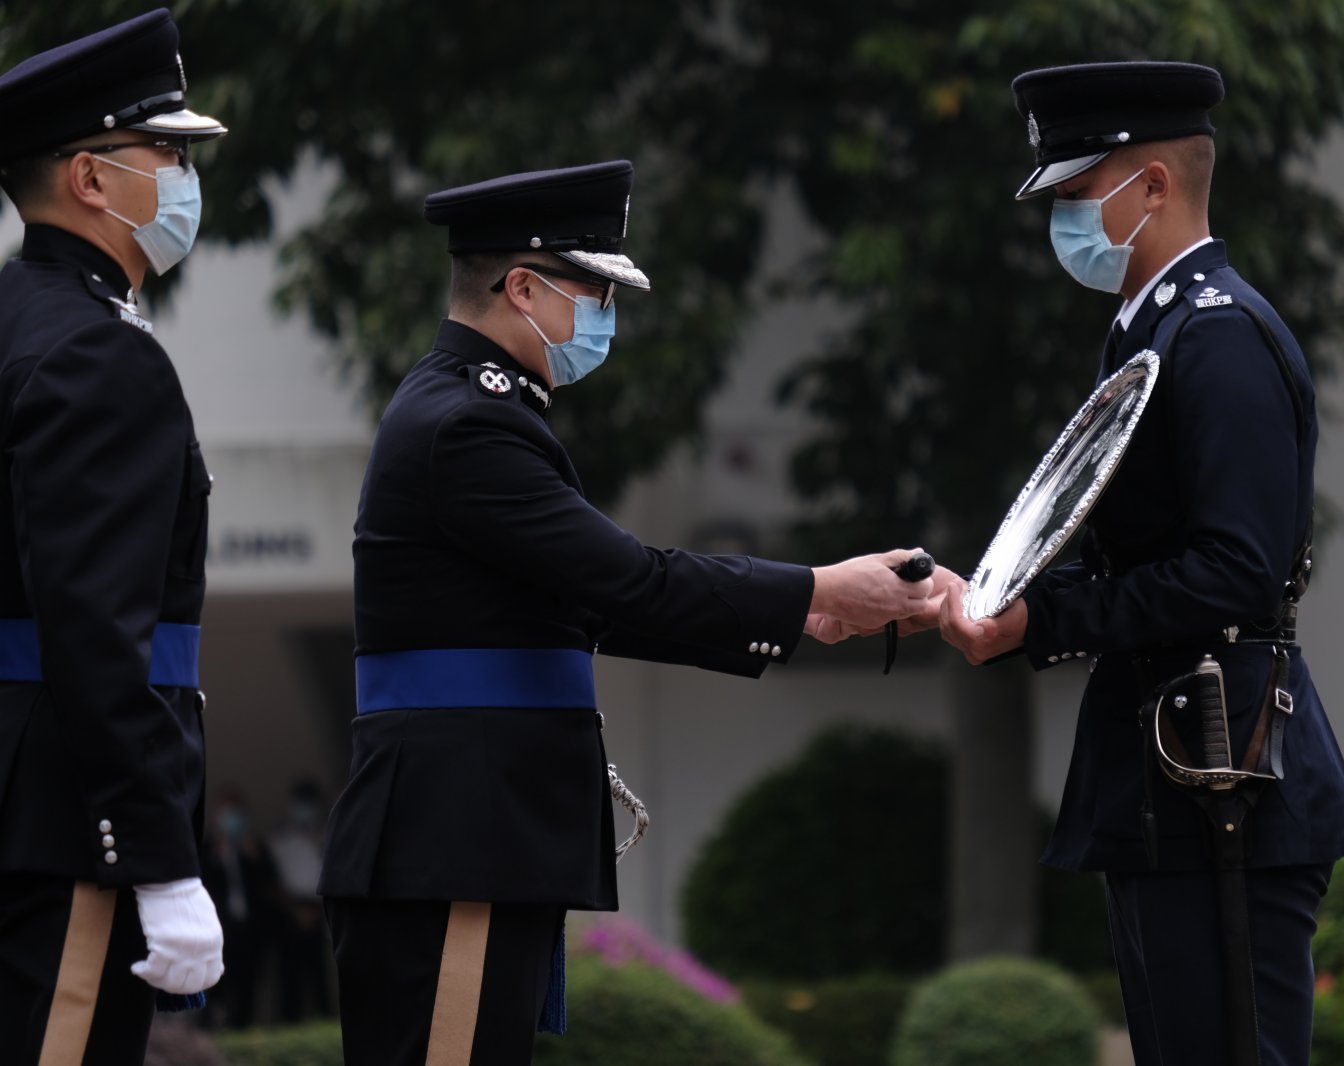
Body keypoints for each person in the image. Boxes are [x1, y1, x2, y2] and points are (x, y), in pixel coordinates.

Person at [318, 160, 940, 1066]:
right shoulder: (469, 424)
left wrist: (806, 613)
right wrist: (816, 589)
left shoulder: (480, 411)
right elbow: (627, 578)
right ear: (523, 287)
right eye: (593, 290)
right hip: (456, 837)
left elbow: (588, 604)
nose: (605, 316)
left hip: (471, 835)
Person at [937, 62, 1344, 1066]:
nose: (1063, 220)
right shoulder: (1154, 331)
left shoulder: (1216, 337)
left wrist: (1042, 620)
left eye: (1078, 193)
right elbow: (1138, 557)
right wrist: (1004, 601)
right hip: (1171, 773)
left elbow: (1235, 573)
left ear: (1154, 187)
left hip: (1223, 778)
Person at [0, 9, 228, 1064]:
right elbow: (97, 631)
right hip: (65, 819)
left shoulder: (22, 322)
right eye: (166, 152)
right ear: (91, 178)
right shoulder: (97, 356)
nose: (183, 175)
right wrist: (156, 856)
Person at [198, 790, 282, 1029]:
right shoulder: (206, 850)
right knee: (218, 985)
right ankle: (214, 1027)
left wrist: (253, 858)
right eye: (226, 812)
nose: (230, 818)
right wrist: (216, 857)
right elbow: (199, 884)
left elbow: (271, 886)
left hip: (250, 928)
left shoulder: (255, 848)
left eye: (235, 812)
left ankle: (245, 1027)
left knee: (249, 982)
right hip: (218, 929)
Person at [266, 778, 333, 1022]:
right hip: (290, 912)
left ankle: (325, 1019)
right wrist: (293, 909)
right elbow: (270, 880)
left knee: (319, 975)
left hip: (320, 911)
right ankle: (290, 1020)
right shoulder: (279, 838)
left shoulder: (328, 835)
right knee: (290, 976)